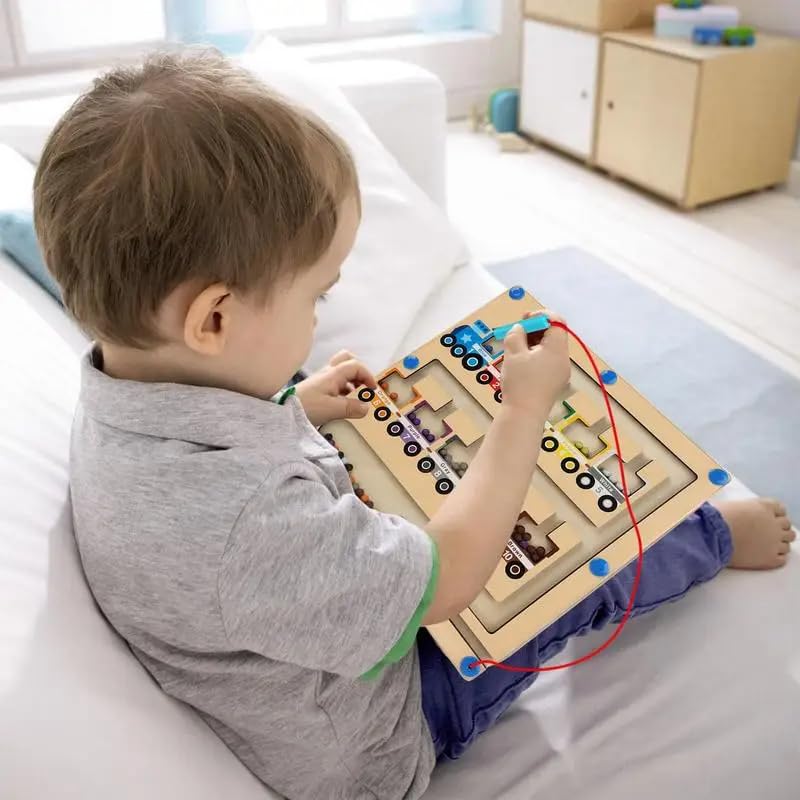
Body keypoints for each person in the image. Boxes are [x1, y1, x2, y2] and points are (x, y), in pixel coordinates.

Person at [34, 49, 795, 800]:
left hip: (310, 643)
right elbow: (455, 573)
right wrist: (524, 409)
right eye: (315, 300)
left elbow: (206, 475)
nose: (317, 322)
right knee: (567, 576)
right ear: (215, 318)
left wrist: (299, 405)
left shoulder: (118, 390)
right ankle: (714, 536)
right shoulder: (246, 527)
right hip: (388, 727)